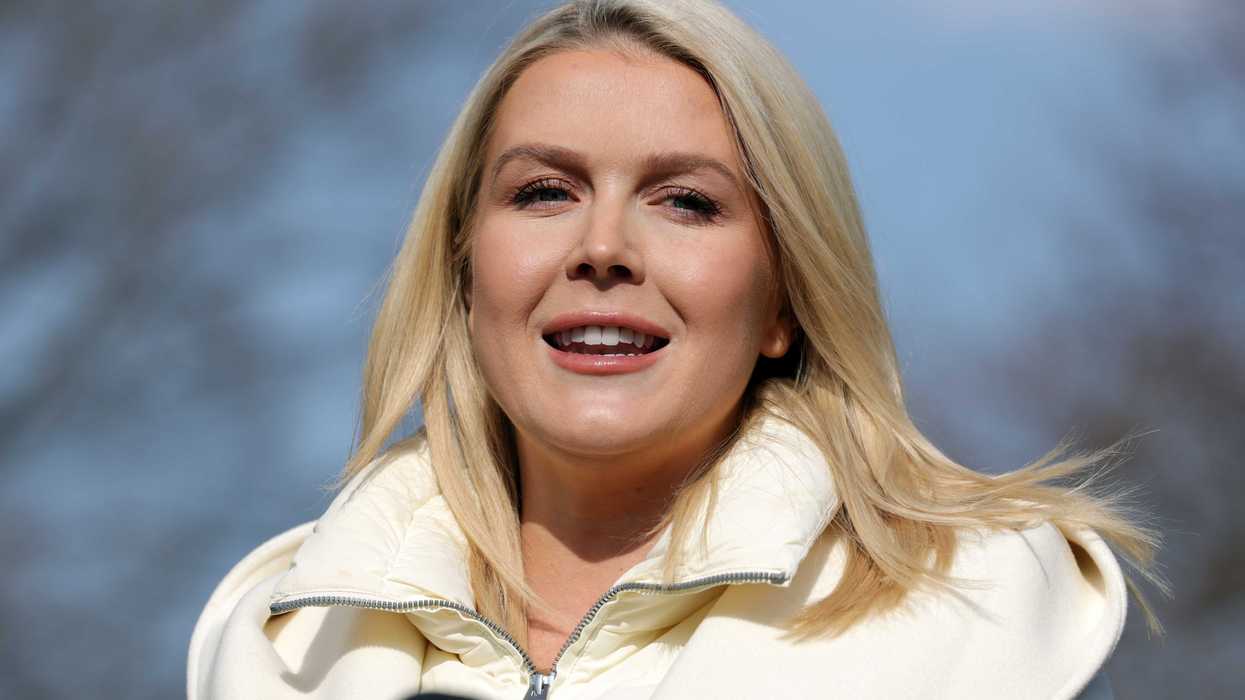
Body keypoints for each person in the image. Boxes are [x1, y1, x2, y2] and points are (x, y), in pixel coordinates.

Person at [188, 1, 1167, 698]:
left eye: (686, 202)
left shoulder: (983, 623)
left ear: (786, 300)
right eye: (544, 192)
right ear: (464, 271)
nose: (603, 247)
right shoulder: (283, 644)